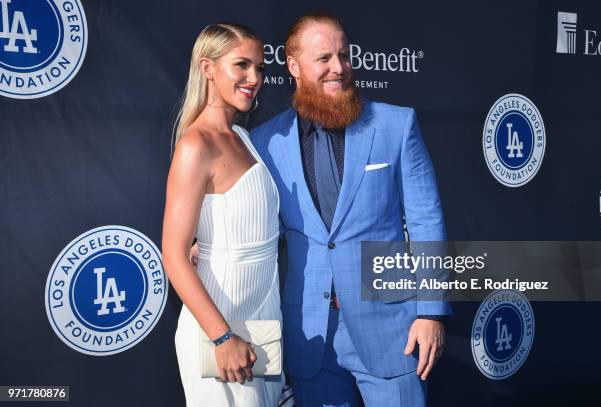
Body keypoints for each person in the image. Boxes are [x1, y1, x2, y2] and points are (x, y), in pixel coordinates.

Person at [249, 12, 451, 406]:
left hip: (393, 331)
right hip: (310, 335)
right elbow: (256, 224)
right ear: (293, 66)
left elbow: (426, 221)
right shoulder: (265, 141)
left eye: (344, 55)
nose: (338, 68)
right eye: (323, 58)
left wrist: (431, 314)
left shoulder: (396, 124)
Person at [161, 23, 284, 407]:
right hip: (220, 323)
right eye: (241, 65)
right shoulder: (196, 145)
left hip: (263, 317)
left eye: (260, 69)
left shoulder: (242, 137)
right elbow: (174, 256)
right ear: (208, 68)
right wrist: (222, 337)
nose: (254, 78)